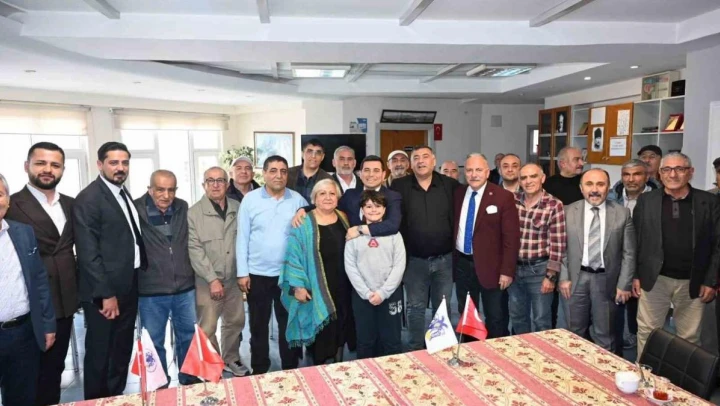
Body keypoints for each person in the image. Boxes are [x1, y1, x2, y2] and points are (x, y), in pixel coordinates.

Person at [74, 142, 146, 400]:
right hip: (104, 293)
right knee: (101, 353)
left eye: (124, 162)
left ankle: (116, 397)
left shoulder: (121, 192)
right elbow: (88, 253)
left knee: (120, 348)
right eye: (114, 162)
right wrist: (106, 294)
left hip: (128, 284)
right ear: (100, 164)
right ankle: (96, 400)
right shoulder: (89, 198)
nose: (120, 168)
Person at [5, 142, 76, 406]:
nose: (48, 169)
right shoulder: (11, 205)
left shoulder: (70, 204)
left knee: (53, 372)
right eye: (41, 163)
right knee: (25, 378)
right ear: (27, 166)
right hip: (31, 305)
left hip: (65, 302)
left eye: (55, 165)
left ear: (62, 170)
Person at [633, 152, 720, 359]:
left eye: (679, 169)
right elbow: (636, 240)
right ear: (660, 174)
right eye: (667, 169)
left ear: (690, 172)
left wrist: (710, 281)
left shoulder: (708, 201)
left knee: (689, 338)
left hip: (693, 281)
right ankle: (646, 375)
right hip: (655, 279)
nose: (673, 175)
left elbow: (717, 244)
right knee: (647, 332)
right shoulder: (646, 200)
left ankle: (681, 379)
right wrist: (635, 275)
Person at [237, 156, 308, 374]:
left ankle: (290, 368)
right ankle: (260, 369)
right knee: (258, 325)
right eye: (273, 171)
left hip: (287, 275)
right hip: (257, 274)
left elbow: (308, 228)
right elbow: (242, 237)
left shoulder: (297, 200)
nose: (279, 175)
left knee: (288, 324)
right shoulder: (250, 200)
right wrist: (242, 272)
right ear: (264, 174)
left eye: (283, 171)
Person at [559, 169, 635, 352]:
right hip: (575, 279)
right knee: (574, 332)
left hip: (606, 280)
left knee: (605, 334)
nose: (594, 189)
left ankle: (603, 369)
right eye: (589, 184)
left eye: (600, 184)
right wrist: (563, 277)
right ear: (581, 188)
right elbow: (561, 247)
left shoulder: (622, 213)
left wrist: (624, 284)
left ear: (608, 188)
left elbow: (629, 253)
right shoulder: (567, 211)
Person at [391, 146, 459, 349]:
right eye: (416, 158)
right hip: (414, 261)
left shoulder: (450, 185)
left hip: (444, 260)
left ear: (434, 160)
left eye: (425, 157)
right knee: (415, 307)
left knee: (442, 306)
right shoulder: (399, 186)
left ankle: (440, 347)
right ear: (411, 164)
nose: (421, 161)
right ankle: (415, 348)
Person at [134, 170, 197, 385]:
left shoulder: (183, 207)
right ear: (150, 189)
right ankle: (159, 384)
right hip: (151, 289)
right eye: (160, 190)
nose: (166, 195)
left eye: (171, 190)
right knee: (154, 340)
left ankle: (189, 378)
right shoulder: (135, 209)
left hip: (184, 287)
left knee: (188, 336)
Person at [280, 179, 352, 364]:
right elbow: (293, 255)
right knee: (320, 334)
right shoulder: (303, 221)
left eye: (332, 193)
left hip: (343, 285)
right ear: (314, 198)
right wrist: (298, 286)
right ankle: (317, 371)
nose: (327, 197)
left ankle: (338, 368)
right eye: (322, 193)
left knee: (341, 327)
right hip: (315, 286)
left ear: (338, 198)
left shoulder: (343, 217)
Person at [0, 173, 56, 406]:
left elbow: (39, 280)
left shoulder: (23, 232)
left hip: (23, 334)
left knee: (23, 397)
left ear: (8, 200)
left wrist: (48, 324)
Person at [188, 167, 248, 377]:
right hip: (207, 280)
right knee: (208, 326)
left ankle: (231, 358)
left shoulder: (238, 207)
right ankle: (213, 364)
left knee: (235, 321)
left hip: (233, 279)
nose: (215, 185)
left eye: (220, 180)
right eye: (210, 181)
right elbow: (194, 249)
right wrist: (212, 279)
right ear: (203, 185)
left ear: (227, 184)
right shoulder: (193, 214)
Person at [453, 154, 520, 339]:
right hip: (463, 264)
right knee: (467, 314)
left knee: (495, 316)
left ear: (487, 172)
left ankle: (495, 351)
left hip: (493, 268)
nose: (473, 174)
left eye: (478, 170)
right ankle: (469, 349)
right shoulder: (458, 194)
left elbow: (511, 238)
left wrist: (507, 271)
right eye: (469, 170)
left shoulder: (503, 197)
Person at [345, 190, 406, 359]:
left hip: (390, 295)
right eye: (369, 206)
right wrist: (366, 293)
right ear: (362, 210)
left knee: (392, 340)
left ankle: (393, 372)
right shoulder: (353, 235)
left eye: (378, 206)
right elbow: (350, 267)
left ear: (385, 209)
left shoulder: (395, 235)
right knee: (365, 340)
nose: (373, 210)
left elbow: (399, 266)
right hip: (362, 296)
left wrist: (383, 292)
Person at [607, 159, 658, 354]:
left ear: (647, 176)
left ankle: (637, 341)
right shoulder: (611, 197)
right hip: (616, 259)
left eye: (636, 174)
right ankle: (620, 342)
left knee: (641, 309)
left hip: (645, 260)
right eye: (626, 175)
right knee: (615, 305)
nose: (631, 179)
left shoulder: (657, 198)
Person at [508, 163, 566, 335]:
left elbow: (558, 244)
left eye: (533, 176)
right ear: (519, 181)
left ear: (542, 178)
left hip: (539, 271)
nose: (528, 181)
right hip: (514, 270)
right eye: (524, 178)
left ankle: (543, 351)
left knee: (541, 319)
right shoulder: (511, 201)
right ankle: (521, 350)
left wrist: (551, 277)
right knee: (517, 317)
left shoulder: (554, 205)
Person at [287, 138, 332, 202]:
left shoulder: (328, 179)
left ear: (322, 157)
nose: (313, 156)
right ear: (302, 154)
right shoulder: (288, 174)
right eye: (310, 151)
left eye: (318, 153)